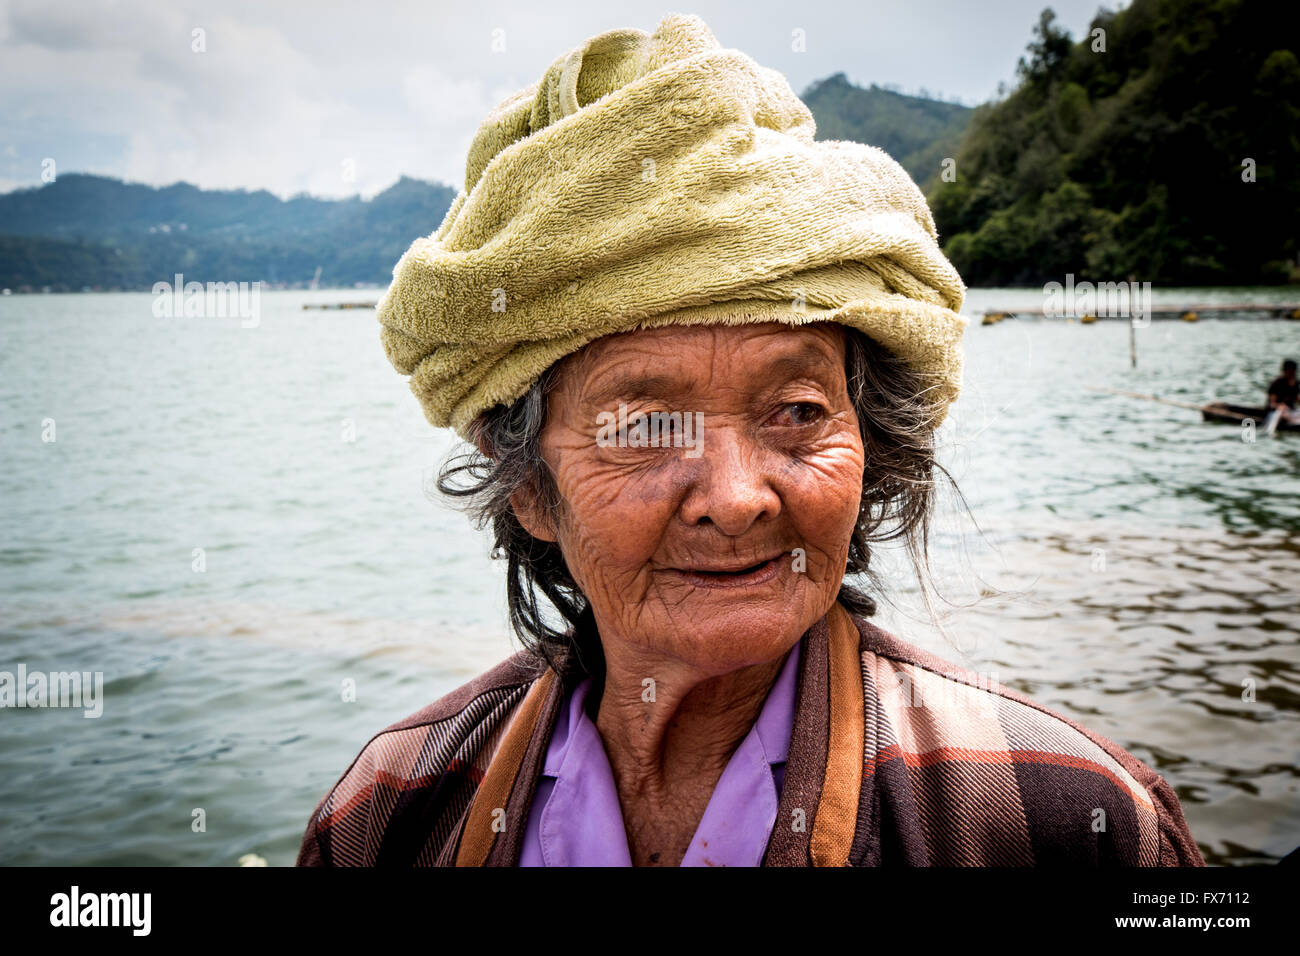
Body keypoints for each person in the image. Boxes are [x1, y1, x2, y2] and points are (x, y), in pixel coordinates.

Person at [295, 14, 1203, 867]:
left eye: (800, 412)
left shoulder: (1057, 820)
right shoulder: (389, 815)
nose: (736, 498)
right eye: (648, 427)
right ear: (528, 485)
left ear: (868, 442)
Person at [1265, 358, 1300, 429]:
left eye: (1293, 373)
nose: (1292, 375)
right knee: (1282, 411)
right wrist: (1280, 406)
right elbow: (1272, 405)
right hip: (1275, 412)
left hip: (1290, 412)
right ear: (1285, 371)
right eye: (1291, 372)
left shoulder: (1295, 384)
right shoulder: (1277, 383)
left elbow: (1297, 399)